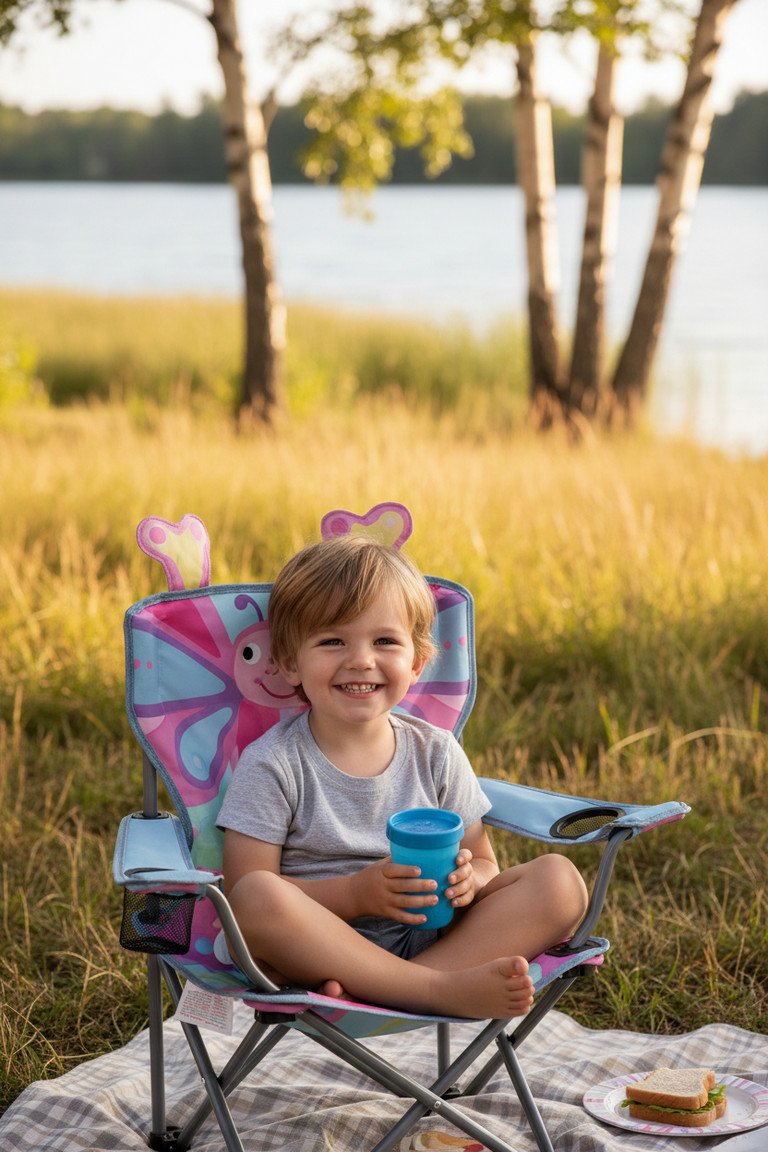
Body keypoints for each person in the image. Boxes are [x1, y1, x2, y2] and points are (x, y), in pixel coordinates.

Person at [217, 534, 588, 1021]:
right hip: (320, 948)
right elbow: (242, 891)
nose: (361, 660)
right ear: (289, 663)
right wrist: (356, 894)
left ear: (416, 662)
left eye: (385, 641)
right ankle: (431, 991)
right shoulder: (274, 764)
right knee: (255, 900)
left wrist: (467, 883)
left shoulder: (434, 751)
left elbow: (484, 863)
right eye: (333, 641)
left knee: (559, 882)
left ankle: (398, 990)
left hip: (434, 939)